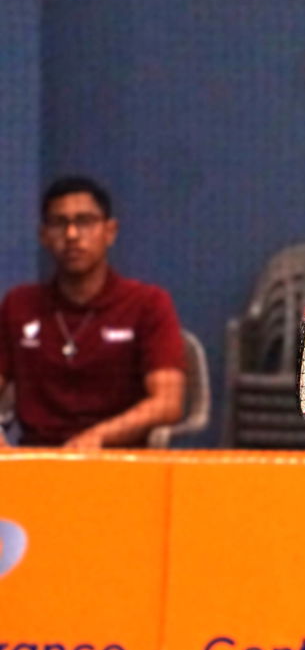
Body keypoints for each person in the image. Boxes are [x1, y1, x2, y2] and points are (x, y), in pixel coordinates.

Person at [0, 176, 185, 448]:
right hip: (36, 462)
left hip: (117, 461)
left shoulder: (148, 303)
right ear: (44, 236)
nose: (72, 235)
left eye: (85, 222)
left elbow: (168, 402)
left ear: (110, 232)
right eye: (59, 223)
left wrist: (98, 436)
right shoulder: (19, 304)